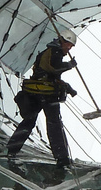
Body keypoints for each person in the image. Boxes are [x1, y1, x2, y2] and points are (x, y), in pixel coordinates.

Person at [6, 28, 78, 166]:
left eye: (71, 46)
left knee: (29, 121)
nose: (69, 48)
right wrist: (69, 65)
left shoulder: (50, 51)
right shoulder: (54, 52)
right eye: (68, 44)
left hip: (36, 92)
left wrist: (68, 88)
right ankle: (62, 159)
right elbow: (54, 68)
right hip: (46, 94)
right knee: (54, 124)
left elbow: (50, 75)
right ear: (61, 41)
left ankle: (12, 149)